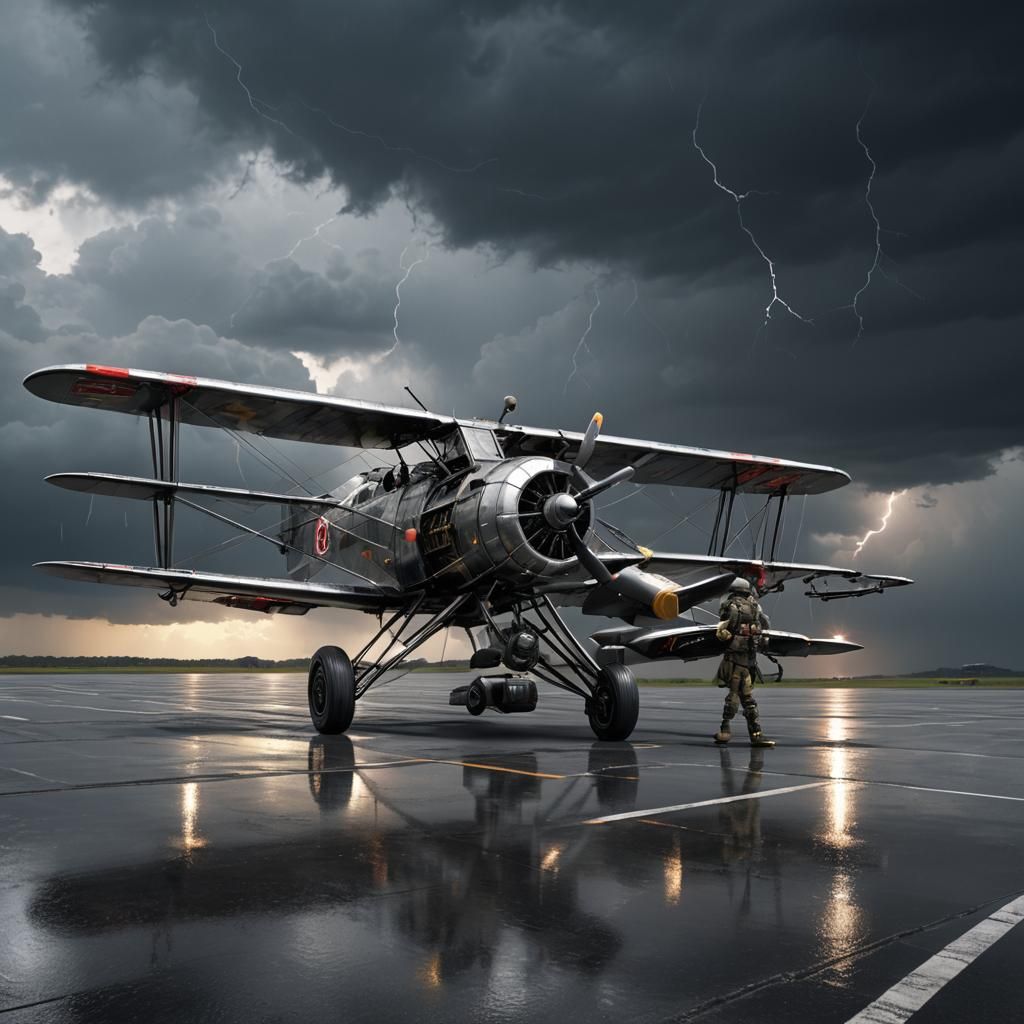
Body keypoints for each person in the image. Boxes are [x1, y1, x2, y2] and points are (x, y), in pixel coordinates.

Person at [712, 578, 775, 747]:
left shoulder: (730, 606)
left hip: (734, 659)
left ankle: (725, 731)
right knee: (747, 698)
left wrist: (727, 638)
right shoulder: (755, 607)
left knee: (735, 696)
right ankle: (755, 734)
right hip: (748, 659)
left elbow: (721, 632)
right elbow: (764, 627)